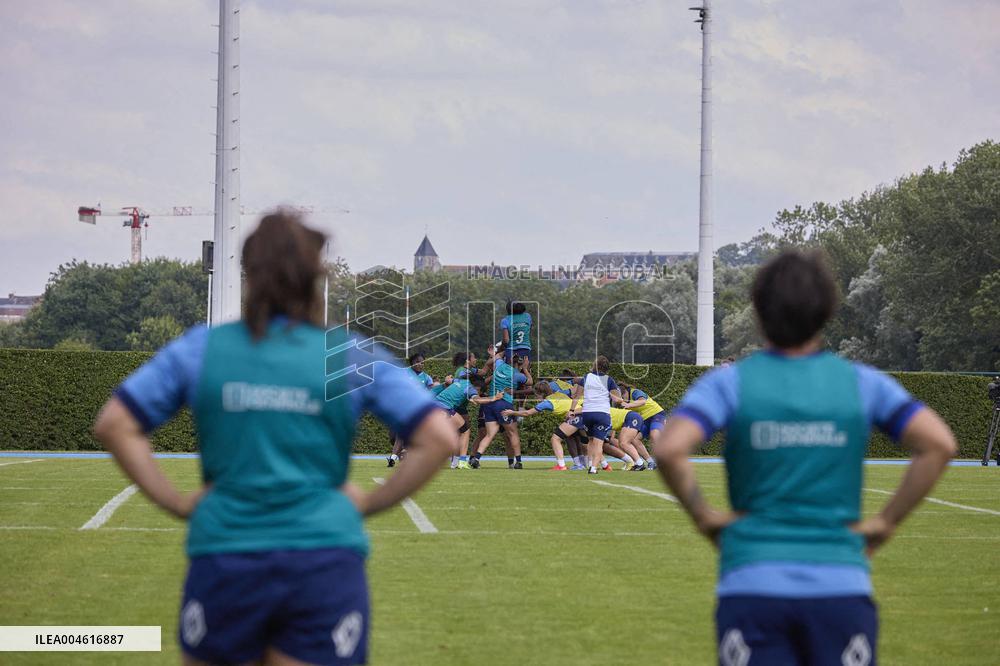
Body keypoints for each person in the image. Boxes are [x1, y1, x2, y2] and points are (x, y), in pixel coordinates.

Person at [92, 212, 456, 666]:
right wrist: (366, 503)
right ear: (315, 277)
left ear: (249, 274)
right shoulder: (343, 355)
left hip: (226, 554)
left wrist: (176, 501)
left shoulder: (204, 348)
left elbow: (115, 423)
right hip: (324, 556)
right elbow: (440, 437)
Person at [654, 250, 957, 666]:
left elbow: (670, 449)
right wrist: (885, 524)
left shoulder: (729, 383)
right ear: (827, 311)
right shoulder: (861, 383)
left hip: (752, 582)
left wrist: (705, 517)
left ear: (758, 312)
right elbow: (939, 444)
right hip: (840, 585)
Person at [470, 347, 532, 469]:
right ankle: (518, 462)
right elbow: (530, 382)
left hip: (490, 404)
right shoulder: (517, 375)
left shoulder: (498, 364)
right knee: (513, 434)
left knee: (489, 435)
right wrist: (525, 368)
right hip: (504, 404)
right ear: (518, 363)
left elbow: (497, 357)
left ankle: (476, 458)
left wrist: (497, 352)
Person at [568, 355, 623, 475]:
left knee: (591, 441)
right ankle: (593, 468)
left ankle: (591, 463)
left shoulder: (587, 377)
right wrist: (611, 395)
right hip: (602, 413)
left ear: (596, 365)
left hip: (587, 413)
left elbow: (576, 396)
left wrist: (572, 411)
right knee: (599, 443)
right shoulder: (609, 380)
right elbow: (618, 400)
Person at [435, 372, 503, 469]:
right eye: (479, 391)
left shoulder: (460, 380)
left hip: (433, 405)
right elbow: (478, 400)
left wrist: (448, 378)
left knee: (458, 431)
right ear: (477, 386)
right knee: (465, 431)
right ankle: (462, 462)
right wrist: (494, 398)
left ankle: (456, 462)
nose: (478, 393)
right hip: (444, 408)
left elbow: (448, 380)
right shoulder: (470, 388)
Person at [387, 352, 438, 467]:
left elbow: (431, 392)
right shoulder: (404, 373)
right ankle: (397, 456)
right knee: (395, 436)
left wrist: (437, 386)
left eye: (422, 362)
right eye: (418, 362)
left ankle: (395, 458)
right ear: (412, 363)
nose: (420, 364)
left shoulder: (427, 378)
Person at [617, 381, 665, 470]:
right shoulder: (625, 401)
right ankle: (651, 462)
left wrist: (629, 404)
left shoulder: (635, 392)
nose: (623, 400)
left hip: (656, 414)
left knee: (654, 435)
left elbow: (642, 401)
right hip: (645, 420)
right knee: (634, 439)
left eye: (623, 397)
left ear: (626, 392)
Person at [499, 300, 533, 370]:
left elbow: (506, 340)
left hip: (511, 350)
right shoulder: (527, 316)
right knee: (525, 372)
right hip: (525, 348)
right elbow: (529, 329)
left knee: (510, 373)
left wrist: (501, 347)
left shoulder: (505, 320)